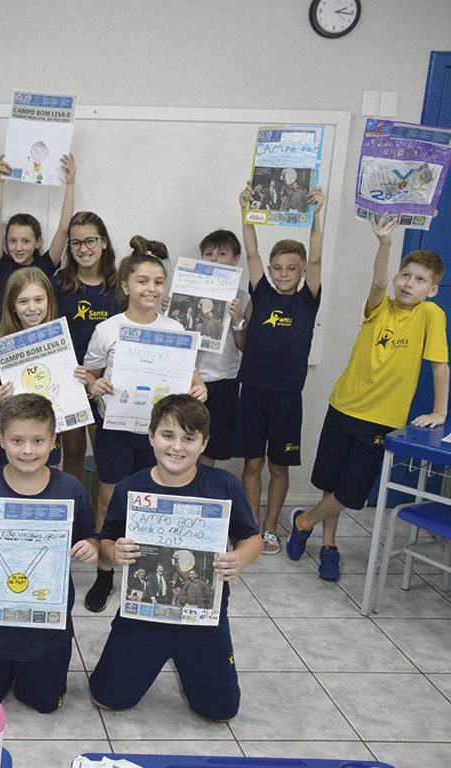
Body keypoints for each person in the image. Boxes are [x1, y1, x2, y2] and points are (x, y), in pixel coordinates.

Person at [287, 214, 448, 579]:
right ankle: (330, 545)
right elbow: (378, 281)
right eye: (405, 275)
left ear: (432, 289)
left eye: (421, 280)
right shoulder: (380, 305)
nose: (409, 283)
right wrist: (385, 244)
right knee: (333, 482)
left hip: (382, 419)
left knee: (351, 492)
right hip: (344, 405)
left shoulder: (431, 316)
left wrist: (440, 412)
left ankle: (304, 522)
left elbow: (440, 365)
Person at [89, 395, 262, 721]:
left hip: (202, 620)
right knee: (108, 698)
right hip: (142, 617)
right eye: (168, 435)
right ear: (151, 436)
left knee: (220, 711)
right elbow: (106, 542)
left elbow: (251, 537)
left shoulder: (224, 485)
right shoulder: (130, 488)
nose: (177, 447)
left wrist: (240, 558)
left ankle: (190, 667)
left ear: (204, 443)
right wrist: (115, 552)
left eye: (189, 438)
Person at [0, 394, 98, 713]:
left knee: (44, 703)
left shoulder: (70, 490)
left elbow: (90, 536)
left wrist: (92, 546)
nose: (28, 450)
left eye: (38, 440)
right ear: (1, 440)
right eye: (17, 440)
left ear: (54, 440)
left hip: (45, 629)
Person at [82, 238, 207, 612]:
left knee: (153, 504)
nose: (150, 288)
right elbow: (89, 374)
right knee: (109, 498)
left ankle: (150, 573)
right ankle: (105, 574)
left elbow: (192, 374)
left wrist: (199, 386)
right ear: (125, 286)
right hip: (117, 429)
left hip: (160, 435)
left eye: (157, 282)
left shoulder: (174, 327)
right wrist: (93, 385)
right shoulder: (109, 329)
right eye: (142, 281)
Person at [236, 183, 326, 554]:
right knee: (252, 462)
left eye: (291, 268)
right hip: (253, 391)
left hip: (288, 397)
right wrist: (246, 211)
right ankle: (249, 526)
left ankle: (270, 527)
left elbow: (318, 260)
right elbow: (252, 250)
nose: (283, 272)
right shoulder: (262, 291)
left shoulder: (307, 301)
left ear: (302, 270)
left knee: (278, 466)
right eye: (277, 267)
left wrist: (317, 215)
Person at [0, 268, 86, 469]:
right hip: (12, 434)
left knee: (46, 477)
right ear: (13, 306)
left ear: (49, 301)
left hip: (45, 429)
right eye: (23, 301)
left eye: (39, 300)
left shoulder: (62, 342)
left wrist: (78, 380)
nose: (32, 308)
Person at [169, 230, 249, 472]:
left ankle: (202, 489)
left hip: (224, 379)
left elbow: (245, 347)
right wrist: (169, 311)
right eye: (209, 254)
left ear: (236, 260)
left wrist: (237, 320)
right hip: (189, 379)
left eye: (222, 253)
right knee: (181, 439)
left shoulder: (243, 298)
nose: (214, 259)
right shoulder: (182, 292)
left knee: (210, 447)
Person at [55, 211, 119, 490]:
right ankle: (76, 515)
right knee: (73, 452)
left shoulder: (120, 285)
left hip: (108, 383)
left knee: (105, 457)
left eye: (90, 241)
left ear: (104, 242)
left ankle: (99, 522)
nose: (84, 249)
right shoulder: (60, 283)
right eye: (76, 243)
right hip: (70, 381)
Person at [0, 154, 74, 323]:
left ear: (38, 242)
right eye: (12, 241)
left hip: (41, 341)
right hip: (9, 339)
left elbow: (64, 229)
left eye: (25, 241)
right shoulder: (2, 265)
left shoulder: (45, 265)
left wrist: (70, 184)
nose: (18, 247)